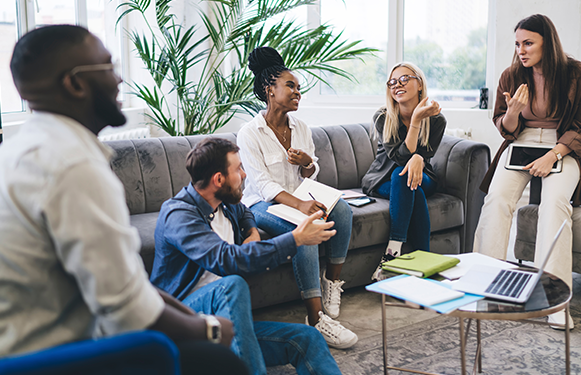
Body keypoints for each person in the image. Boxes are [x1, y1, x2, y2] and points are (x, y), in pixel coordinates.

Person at [0, 24, 249, 374]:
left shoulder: (24, 148)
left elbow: (128, 282)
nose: (119, 80)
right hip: (45, 359)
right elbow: (128, 311)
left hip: (19, 347)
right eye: (108, 66)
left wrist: (193, 317)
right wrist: (207, 328)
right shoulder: (73, 165)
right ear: (74, 83)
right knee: (222, 362)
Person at [150, 137, 343, 375]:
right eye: (238, 168)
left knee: (306, 337)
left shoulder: (224, 202)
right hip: (184, 325)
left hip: (224, 325)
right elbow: (226, 260)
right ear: (218, 179)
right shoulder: (178, 214)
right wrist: (296, 239)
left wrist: (251, 231)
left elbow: (244, 212)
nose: (244, 174)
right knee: (230, 285)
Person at [474, 14, 581, 329]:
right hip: (523, 141)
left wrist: (553, 155)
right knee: (497, 199)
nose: (521, 51)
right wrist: (512, 113)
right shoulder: (512, 75)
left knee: (555, 205)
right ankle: (485, 288)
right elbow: (507, 128)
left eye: (528, 43)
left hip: (563, 144)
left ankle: (553, 303)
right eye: (517, 44)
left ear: (548, 43)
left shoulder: (578, 75)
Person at [237, 47, 357, 349]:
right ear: (269, 90)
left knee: (342, 210)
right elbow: (262, 185)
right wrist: (301, 205)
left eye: (299, 88)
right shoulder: (249, 133)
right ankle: (316, 318)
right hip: (263, 205)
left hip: (299, 195)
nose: (297, 93)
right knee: (303, 230)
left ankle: (333, 283)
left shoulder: (301, 127)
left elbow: (311, 171)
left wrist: (306, 163)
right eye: (291, 86)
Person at [360, 62, 446, 280]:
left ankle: (392, 255)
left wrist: (419, 156)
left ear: (419, 84)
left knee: (408, 178)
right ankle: (422, 260)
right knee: (404, 176)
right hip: (383, 179)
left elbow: (425, 155)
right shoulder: (383, 117)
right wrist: (416, 120)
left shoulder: (436, 120)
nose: (397, 85)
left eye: (404, 79)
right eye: (392, 82)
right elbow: (399, 157)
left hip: (422, 176)